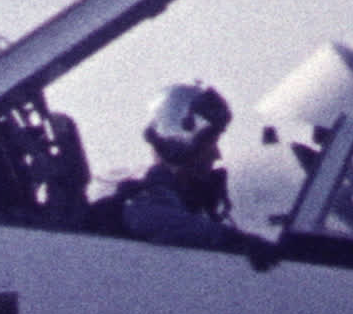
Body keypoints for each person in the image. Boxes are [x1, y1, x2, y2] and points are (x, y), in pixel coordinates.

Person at [115, 82, 274, 266]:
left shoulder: (197, 207)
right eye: (212, 143)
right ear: (180, 145)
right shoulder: (142, 202)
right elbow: (154, 220)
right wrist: (235, 241)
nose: (217, 155)